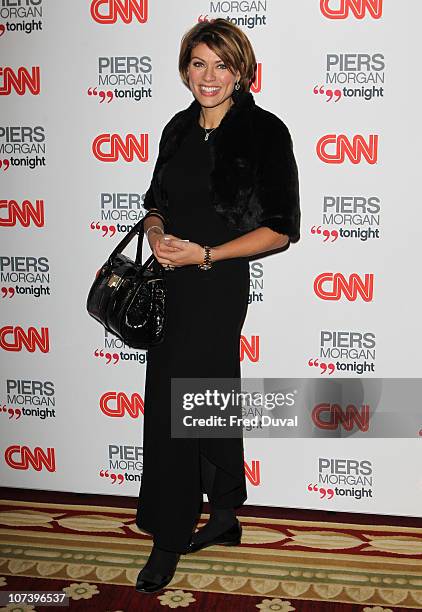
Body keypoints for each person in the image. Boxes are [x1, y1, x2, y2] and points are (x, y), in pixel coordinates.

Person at [135, 18, 300, 593]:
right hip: (168, 280)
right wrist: (156, 236)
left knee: (185, 401)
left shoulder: (264, 132)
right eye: (198, 64)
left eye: (221, 65)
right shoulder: (177, 129)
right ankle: (225, 512)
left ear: (241, 71)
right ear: (186, 69)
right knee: (195, 395)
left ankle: (169, 534)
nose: (209, 76)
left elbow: (280, 230)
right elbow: (154, 202)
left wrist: (205, 255)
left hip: (214, 282)